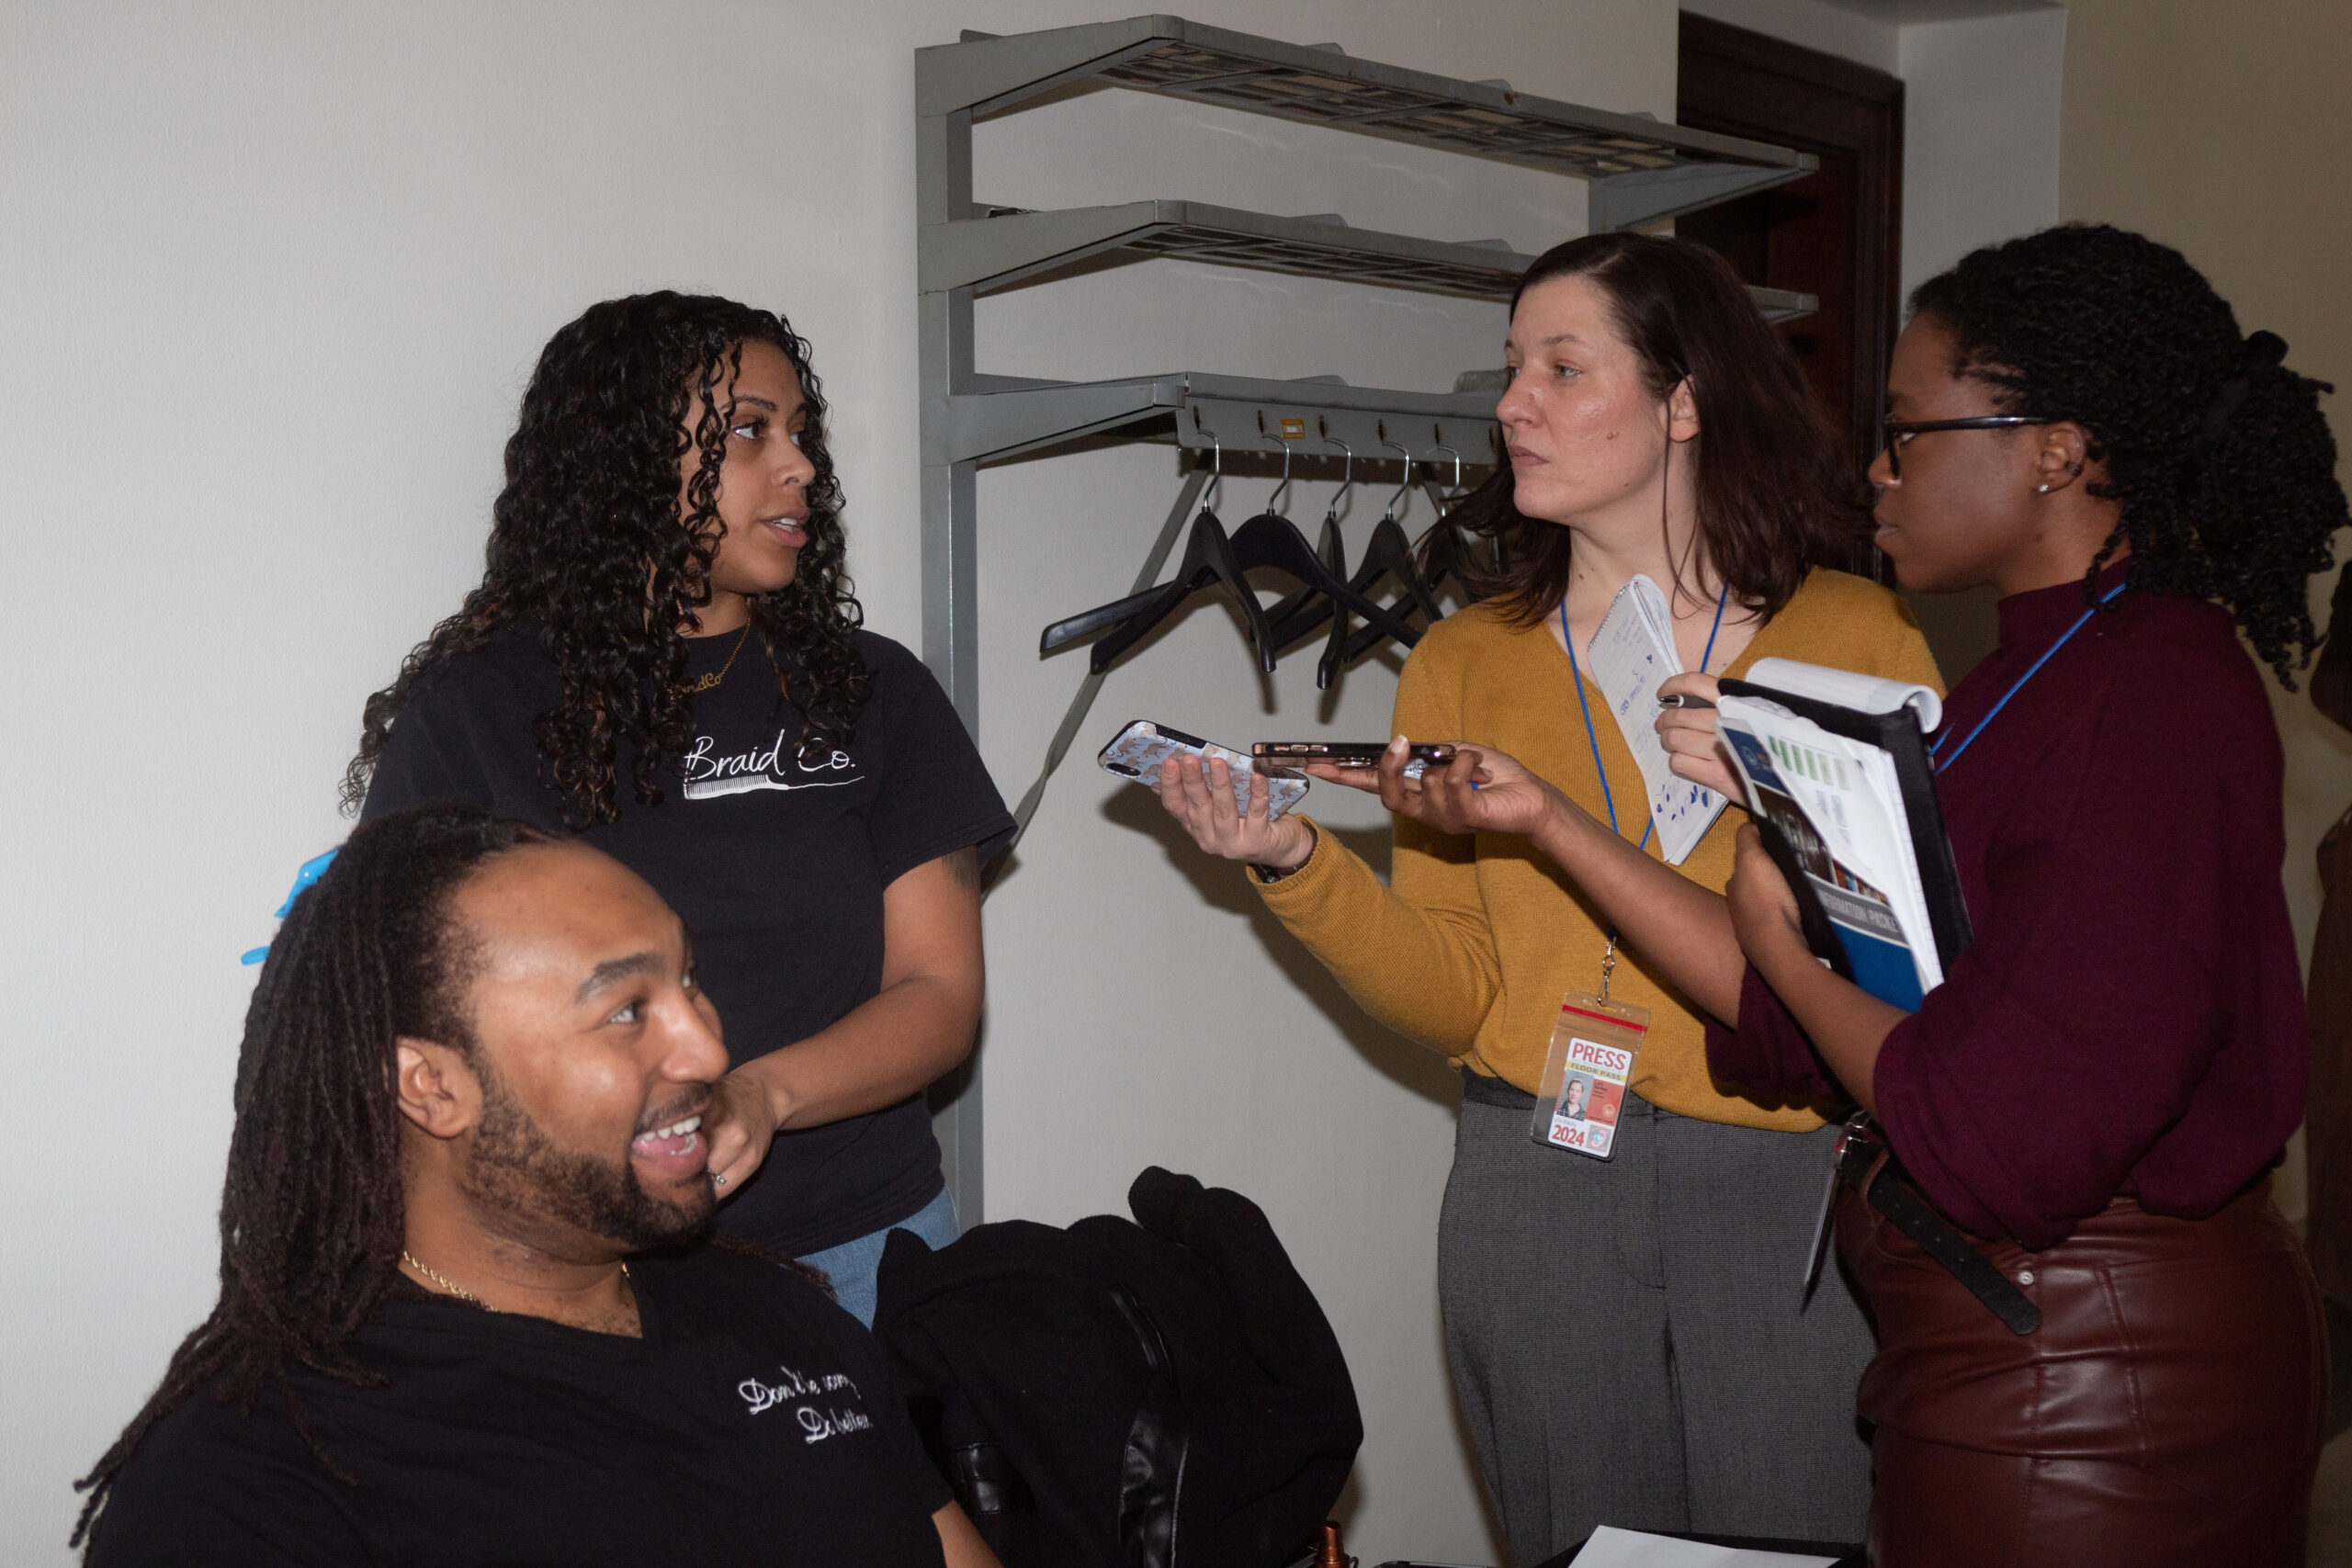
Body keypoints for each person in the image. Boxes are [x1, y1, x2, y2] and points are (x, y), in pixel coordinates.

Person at [1156, 231, 1942, 1559]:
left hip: (1783, 1174)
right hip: (1538, 1182)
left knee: (1799, 1540)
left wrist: (1777, 795)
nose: (1513, 401)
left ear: (1684, 400)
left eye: (1563, 367)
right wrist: (1294, 865)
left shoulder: (1855, 644)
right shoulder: (1466, 661)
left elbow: (1915, 983)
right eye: (1513, 367)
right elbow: (1458, 995)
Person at [1709, 223, 2341, 1566]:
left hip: (2102, 1386)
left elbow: (2009, 1127)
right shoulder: (2031, 676)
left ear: (2055, 447)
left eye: (1907, 430)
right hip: (2009, 1348)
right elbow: (1847, 1027)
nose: (1877, 470)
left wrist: (1781, 935)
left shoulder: (2153, 691)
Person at [74, 803, 999, 1567]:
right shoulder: (259, 1479)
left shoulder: (775, 1312)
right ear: (431, 1086)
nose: (711, 1049)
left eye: (689, 980)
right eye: (628, 1009)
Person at [348, 293, 1014, 1323]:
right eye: (751, 430)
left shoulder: (874, 691)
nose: (800, 467)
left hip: (865, 1259)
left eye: (802, 434)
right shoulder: (474, 713)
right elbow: (420, 1031)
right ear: (623, 463)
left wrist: (763, 1094)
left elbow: (937, 994)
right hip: (592, 1283)